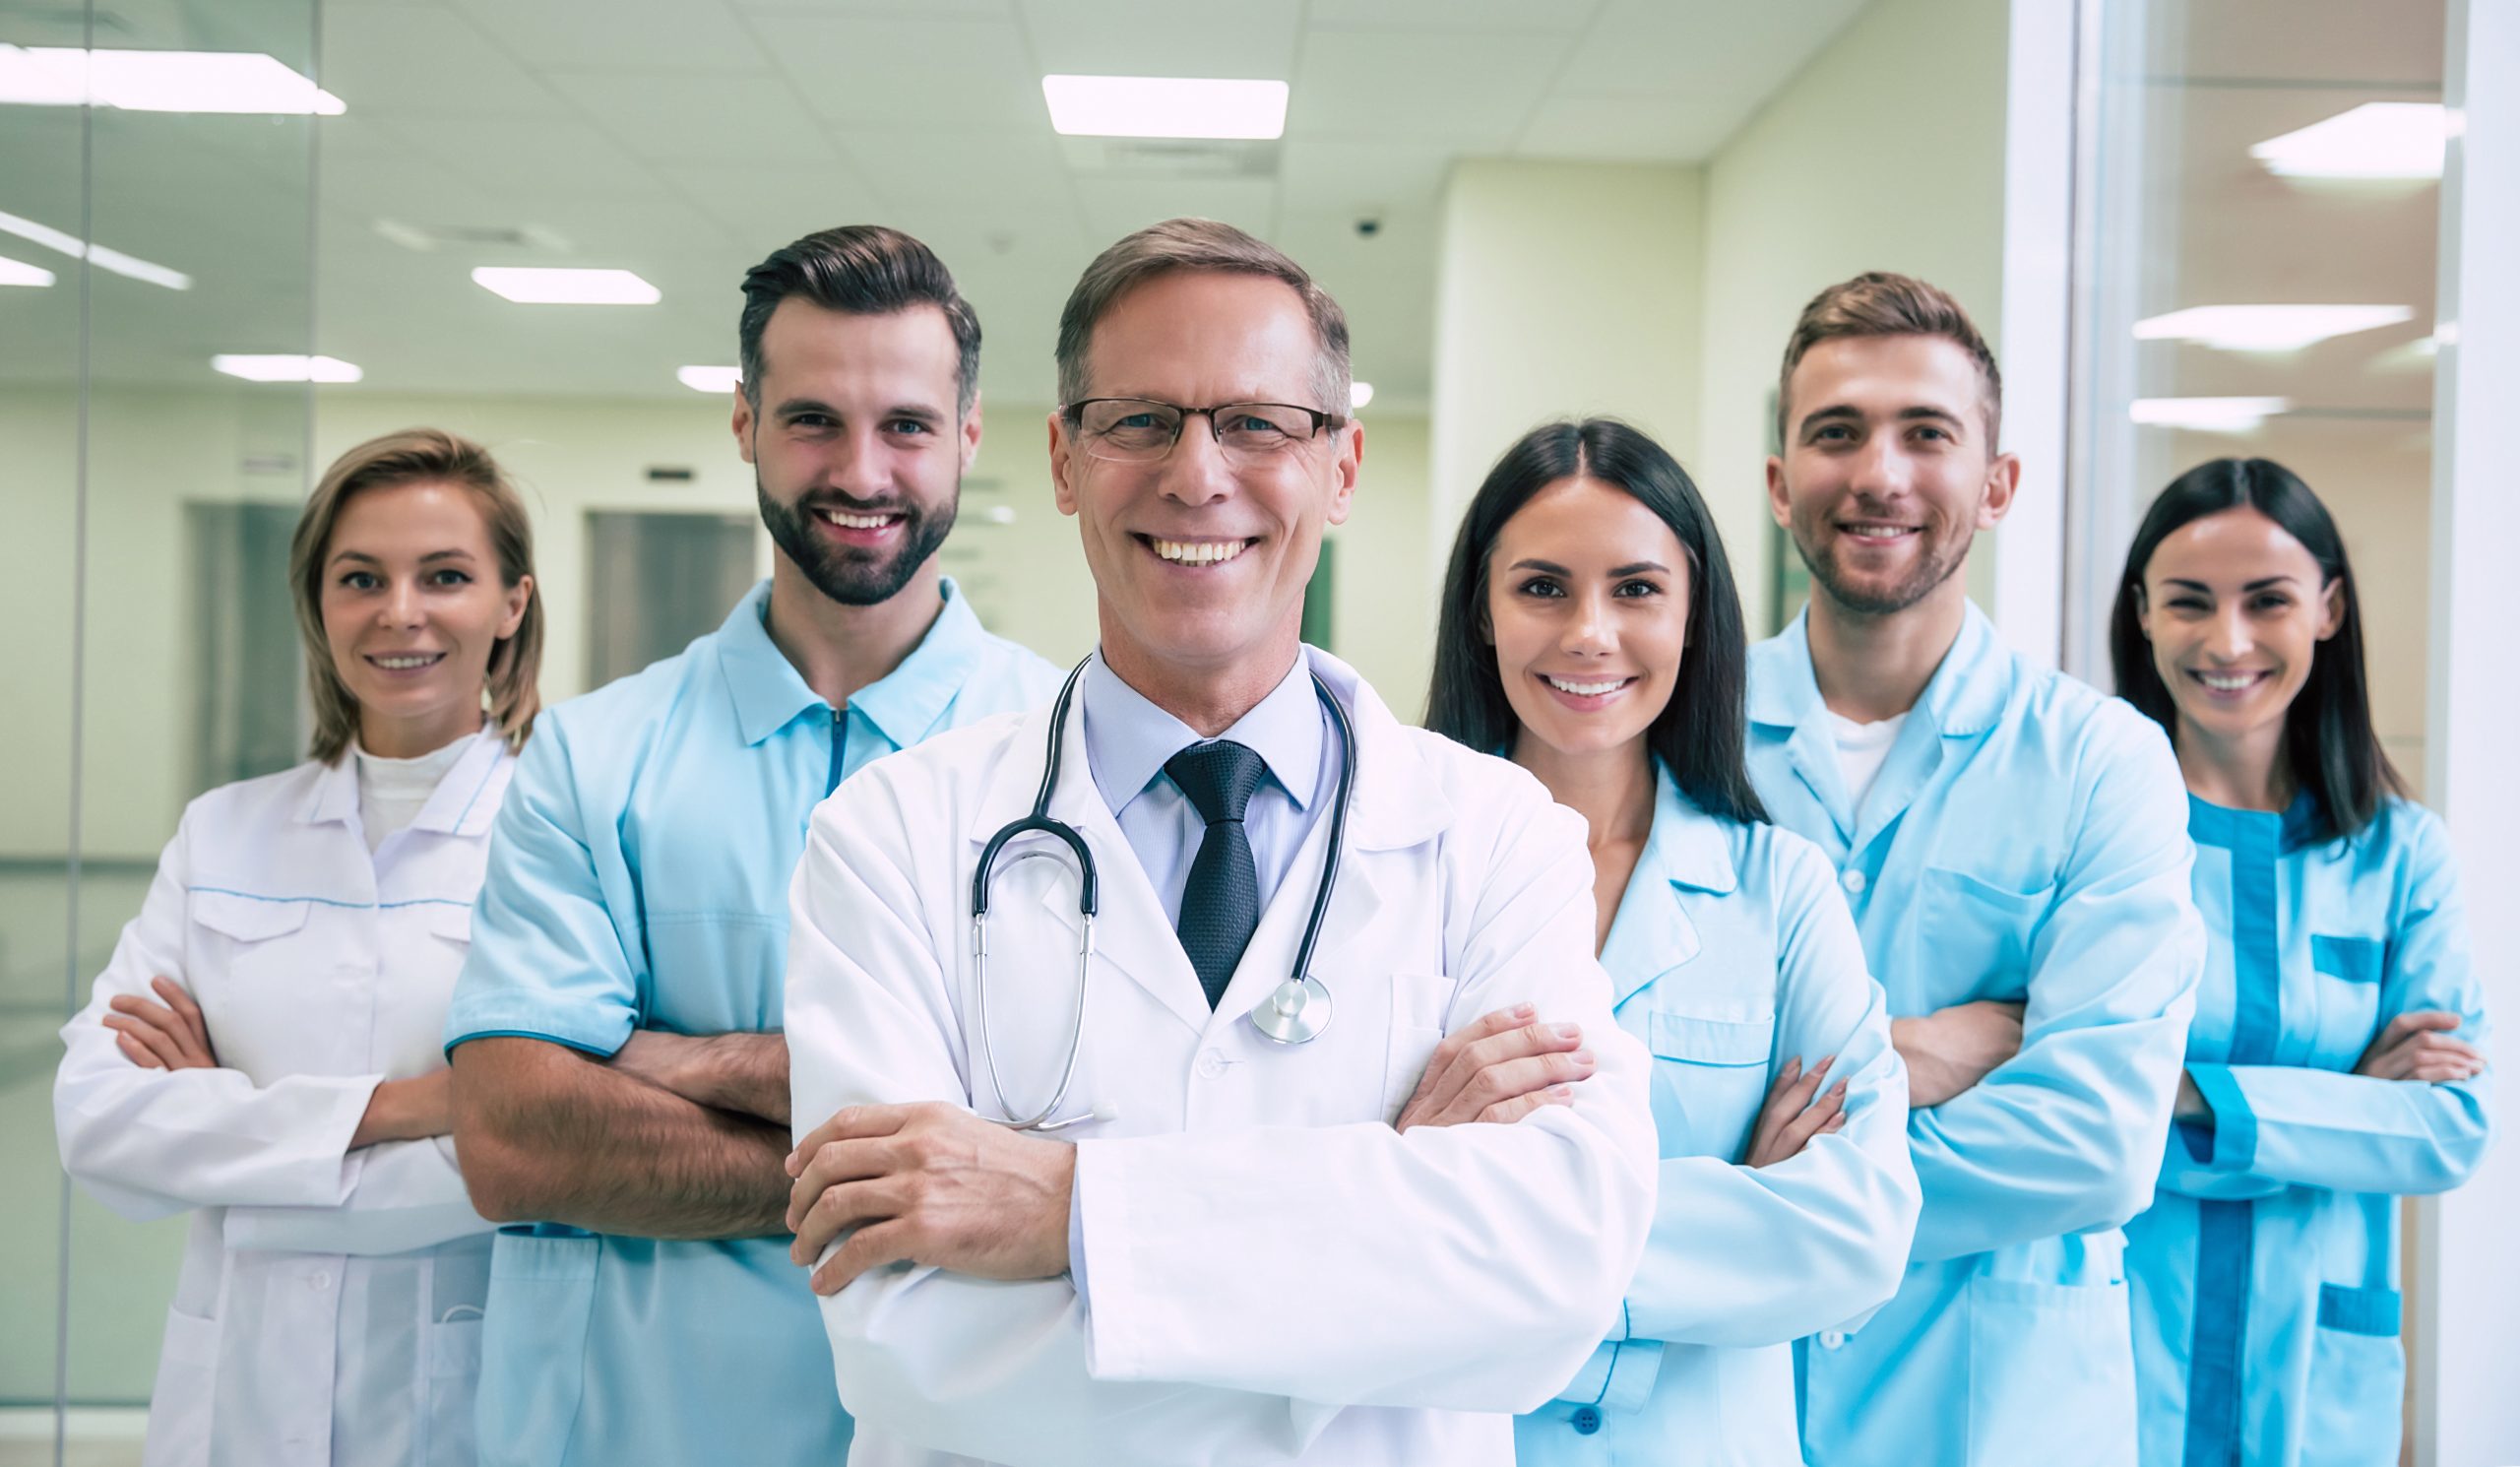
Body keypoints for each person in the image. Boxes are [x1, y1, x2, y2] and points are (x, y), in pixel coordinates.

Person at [780, 218, 1658, 1467]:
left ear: (1340, 467)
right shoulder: (890, 837)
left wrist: (1067, 1209)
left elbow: (1553, 1275)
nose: (1197, 475)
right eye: (1138, 419)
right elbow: (904, 1345)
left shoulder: (1499, 834)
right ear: (1066, 458)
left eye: (1256, 421)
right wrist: (1381, 1226)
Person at [441, 225, 1057, 1467]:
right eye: (814, 420)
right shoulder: (593, 758)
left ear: (970, 435)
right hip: (634, 1430)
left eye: (908, 426)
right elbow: (514, 1138)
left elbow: (1104, 1137)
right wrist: (937, 1162)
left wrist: (664, 1059)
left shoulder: (1067, 761)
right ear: (746, 426)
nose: (863, 468)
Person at [1747, 272, 2205, 1467]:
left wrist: (1766, 1185)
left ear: (1996, 484)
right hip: (1722, 1400)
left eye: (1926, 434)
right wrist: (1922, 1052)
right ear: (1779, 481)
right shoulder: (1680, 740)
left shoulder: (2105, 763)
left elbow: (2098, 1138)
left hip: (1999, 1417)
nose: (1879, 473)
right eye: (1835, 431)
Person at [1423, 417, 1920, 1465]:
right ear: (1482, 612)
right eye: (1542, 587)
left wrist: (1496, 1220)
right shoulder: (1391, 878)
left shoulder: (1779, 891)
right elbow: (1349, 1214)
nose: (1590, 632)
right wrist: (1739, 1201)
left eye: (1637, 589)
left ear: (1697, 615)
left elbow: (1860, 1227)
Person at [56, 428, 541, 1467]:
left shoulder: (562, 839)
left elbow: (536, 1156)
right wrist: (412, 1104)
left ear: (511, 603)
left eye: (445, 575)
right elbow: (100, 1117)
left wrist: (237, 1163)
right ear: (318, 602)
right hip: (231, 1395)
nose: (398, 611)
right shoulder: (223, 831)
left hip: (455, 1400)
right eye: (359, 576)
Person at [2108, 458, 2492, 1467]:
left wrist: (2189, 1091)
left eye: (2266, 600)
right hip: (2119, 1344)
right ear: (2141, 614)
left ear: (2326, 608)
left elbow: (2445, 1131)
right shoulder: (2093, 839)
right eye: (2188, 601)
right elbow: (2064, 1106)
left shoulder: (2402, 853)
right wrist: (2337, 1100)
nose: (2226, 640)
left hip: (2316, 1371)